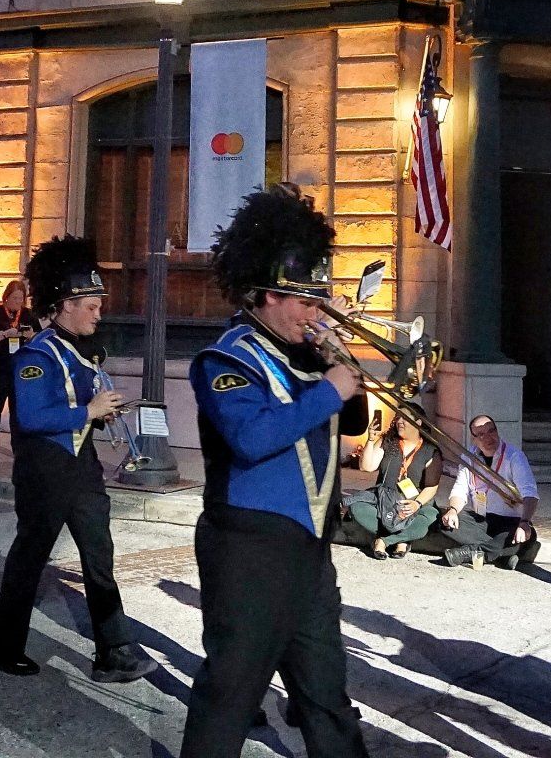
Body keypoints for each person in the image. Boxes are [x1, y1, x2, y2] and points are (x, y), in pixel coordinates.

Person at [182, 182, 371, 758]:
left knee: (326, 697)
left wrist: (343, 362)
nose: (316, 313)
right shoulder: (226, 359)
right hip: (249, 550)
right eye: (304, 302)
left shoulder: (306, 356)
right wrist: (326, 391)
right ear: (264, 295)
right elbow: (251, 436)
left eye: (319, 300)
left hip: (309, 551)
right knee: (230, 696)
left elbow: (356, 422)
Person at [0, 235, 156, 682]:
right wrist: (89, 411)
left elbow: (80, 408)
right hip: (44, 471)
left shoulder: (82, 355)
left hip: (82, 469)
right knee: (30, 557)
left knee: (100, 558)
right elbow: (33, 415)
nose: (99, 313)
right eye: (91, 305)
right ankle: (4, 647)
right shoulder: (35, 356)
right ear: (63, 305)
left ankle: (113, 651)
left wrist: (103, 413)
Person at [441, 414, 541, 569]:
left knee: (526, 534)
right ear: (473, 438)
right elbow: (460, 490)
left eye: (491, 431)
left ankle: (472, 552)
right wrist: (453, 510)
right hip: (482, 520)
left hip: (510, 522)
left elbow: (530, 494)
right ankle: (505, 555)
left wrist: (525, 522)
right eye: (480, 434)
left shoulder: (514, 457)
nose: (487, 437)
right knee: (444, 522)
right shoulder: (469, 457)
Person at [343, 411, 441, 559]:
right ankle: (403, 540)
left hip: (413, 503)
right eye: (398, 417)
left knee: (429, 519)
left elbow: (431, 487)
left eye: (405, 418)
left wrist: (417, 504)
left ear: (419, 422)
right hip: (385, 500)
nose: (400, 421)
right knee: (358, 508)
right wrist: (370, 440)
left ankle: (384, 540)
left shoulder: (430, 450)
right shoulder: (387, 441)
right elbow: (367, 466)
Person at [0, 279, 39, 459]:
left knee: (17, 411)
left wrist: (30, 336)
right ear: (6, 298)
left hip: (19, 370)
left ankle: (18, 449)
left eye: (20, 299)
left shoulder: (28, 315)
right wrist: (5, 334)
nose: (18, 302)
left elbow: (40, 337)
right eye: (14, 298)